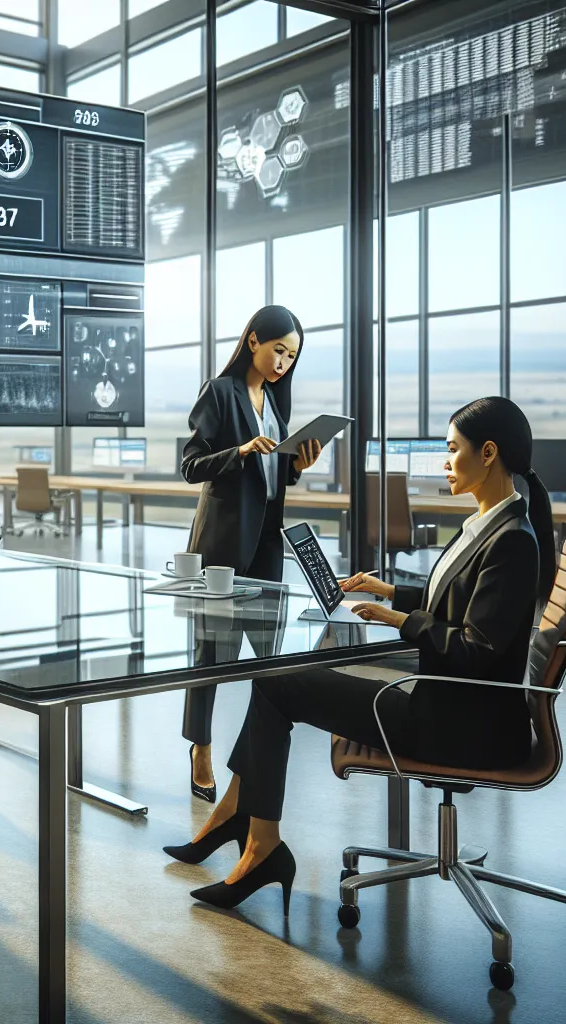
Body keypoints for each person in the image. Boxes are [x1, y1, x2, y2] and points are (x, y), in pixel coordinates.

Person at [163, 396, 557, 912]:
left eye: (452, 450)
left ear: (487, 454)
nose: (444, 462)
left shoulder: (512, 541)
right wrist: (390, 592)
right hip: (452, 705)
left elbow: (475, 648)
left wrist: (401, 622)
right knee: (276, 681)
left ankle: (254, 839)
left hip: (464, 725)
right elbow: (461, 607)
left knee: (278, 684)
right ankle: (245, 827)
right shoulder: (488, 524)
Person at [178, 305, 324, 803]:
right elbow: (191, 466)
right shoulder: (220, 393)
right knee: (213, 652)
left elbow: (272, 478)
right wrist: (240, 451)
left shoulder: (276, 405)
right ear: (255, 340)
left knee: (267, 654)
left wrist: (298, 464)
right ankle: (200, 747)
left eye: (292, 356)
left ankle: (251, 757)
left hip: (265, 541)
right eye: (279, 349)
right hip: (221, 542)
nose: (284, 362)